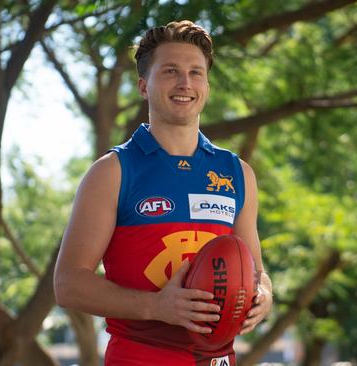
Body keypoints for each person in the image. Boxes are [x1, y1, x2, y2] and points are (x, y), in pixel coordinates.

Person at [54, 20, 273, 365]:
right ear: (144, 86)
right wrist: (155, 306)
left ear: (207, 85)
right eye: (170, 71)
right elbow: (68, 284)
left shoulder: (237, 173)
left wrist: (264, 294)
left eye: (196, 72)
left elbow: (257, 272)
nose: (185, 83)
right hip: (141, 356)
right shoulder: (112, 172)